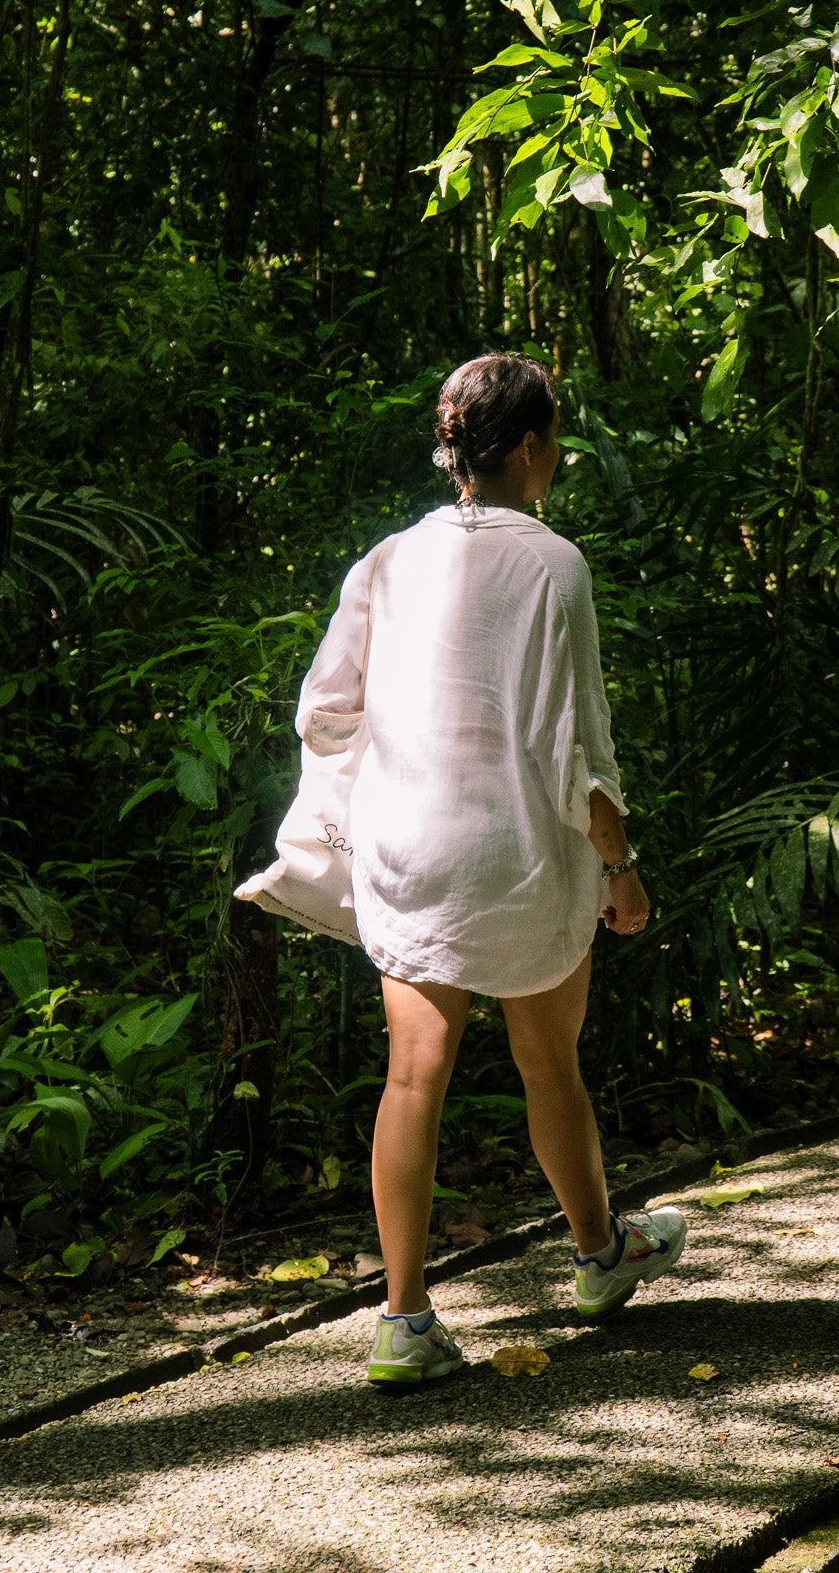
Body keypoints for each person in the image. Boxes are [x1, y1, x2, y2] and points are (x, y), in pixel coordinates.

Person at [293, 352, 686, 1385]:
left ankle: (404, 1320)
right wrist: (622, 866)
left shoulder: (385, 559)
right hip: (521, 854)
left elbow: (324, 710)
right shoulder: (554, 564)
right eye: (553, 438)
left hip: (408, 849)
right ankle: (601, 1257)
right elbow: (576, 749)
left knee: (411, 1073)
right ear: (527, 448)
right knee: (548, 1062)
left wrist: (368, 797)